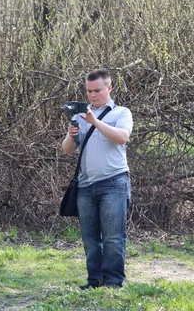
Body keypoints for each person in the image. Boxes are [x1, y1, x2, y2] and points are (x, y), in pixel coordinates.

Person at [61, 69, 133, 289]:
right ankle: (95, 281)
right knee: (90, 240)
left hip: (114, 183)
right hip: (85, 185)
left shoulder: (121, 112)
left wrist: (94, 122)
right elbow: (67, 150)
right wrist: (72, 133)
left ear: (109, 88)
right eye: (88, 91)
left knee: (113, 238)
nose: (92, 95)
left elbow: (122, 137)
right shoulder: (81, 116)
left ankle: (113, 282)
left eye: (97, 90)